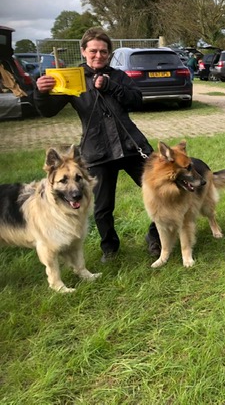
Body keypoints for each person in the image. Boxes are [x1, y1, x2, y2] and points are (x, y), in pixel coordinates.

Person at [34, 27, 161, 262]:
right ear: (83, 51)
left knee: (160, 191)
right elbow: (48, 111)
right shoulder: (73, 79)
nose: (98, 55)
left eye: (103, 51)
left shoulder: (119, 76)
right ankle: (110, 248)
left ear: (109, 53)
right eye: (93, 51)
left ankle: (156, 237)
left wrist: (111, 85)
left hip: (131, 146)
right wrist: (41, 93)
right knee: (102, 208)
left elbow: (137, 100)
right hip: (97, 152)